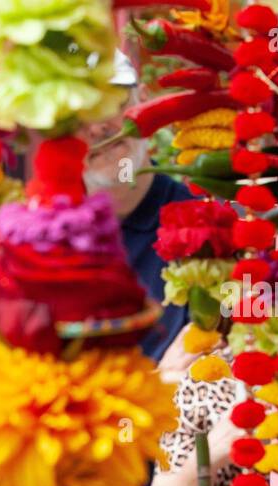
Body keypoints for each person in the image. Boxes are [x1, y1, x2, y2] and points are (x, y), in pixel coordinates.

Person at [78, 53, 195, 365]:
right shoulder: (38, 237)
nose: (99, 127)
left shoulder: (206, 227)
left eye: (112, 102)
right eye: (80, 112)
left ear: (146, 105)